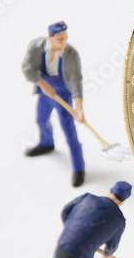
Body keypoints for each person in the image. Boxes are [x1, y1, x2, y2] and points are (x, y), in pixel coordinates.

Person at [22, 21, 86, 187]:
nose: (64, 42)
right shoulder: (36, 46)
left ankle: (79, 168)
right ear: (50, 37)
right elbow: (27, 67)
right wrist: (42, 84)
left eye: (66, 37)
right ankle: (46, 143)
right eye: (60, 38)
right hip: (45, 92)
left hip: (63, 95)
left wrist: (78, 107)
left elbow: (76, 80)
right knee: (41, 120)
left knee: (69, 131)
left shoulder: (71, 54)